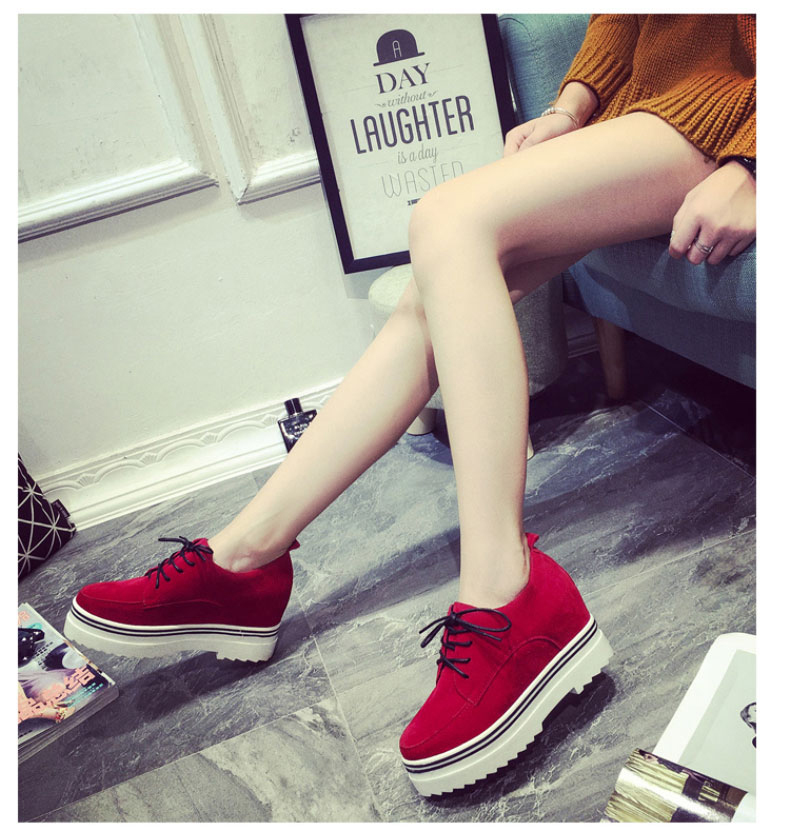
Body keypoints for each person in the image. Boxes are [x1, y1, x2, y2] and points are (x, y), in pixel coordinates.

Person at [63, 14, 755, 797]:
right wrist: (571, 107)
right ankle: (244, 561)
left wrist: (755, 161)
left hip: (736, 113)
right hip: (653, 109)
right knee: (434, 287)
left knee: (446, 217)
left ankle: (504, 590)